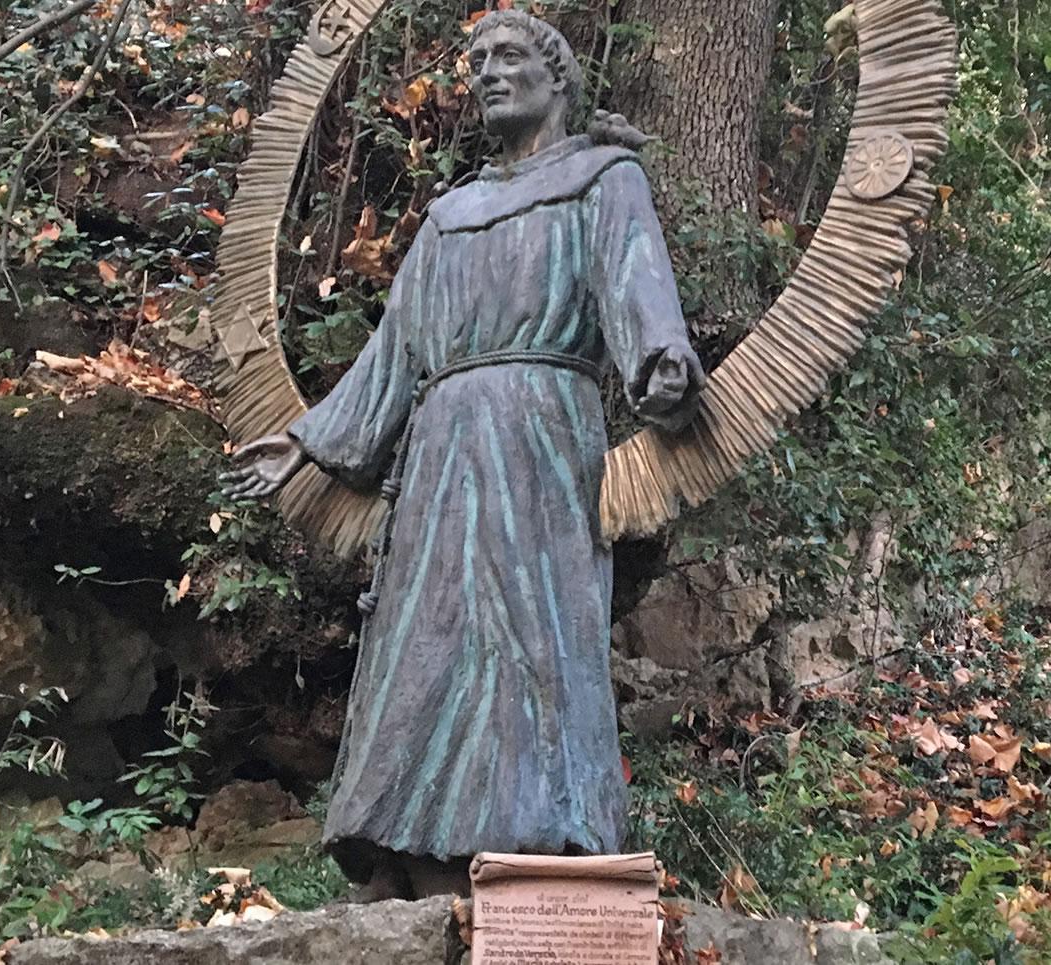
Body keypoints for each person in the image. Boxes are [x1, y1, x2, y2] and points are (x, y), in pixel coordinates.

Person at [218, 11, 703, 901]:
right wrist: (305, 445)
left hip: (543, 446)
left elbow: (640, 297)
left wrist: (659, 364)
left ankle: (546, 842)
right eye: (475, 60)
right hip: (439, 460)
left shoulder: (605, 180)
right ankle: (408, 852)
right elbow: (392, 358)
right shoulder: (448, 218)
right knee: (425, 639)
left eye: (509, 57)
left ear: (559, 80)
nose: (485, 72)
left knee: (537, 639)